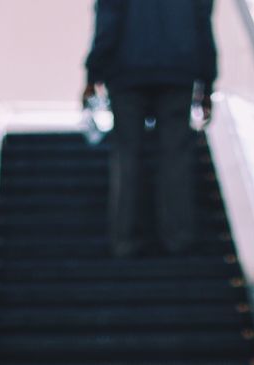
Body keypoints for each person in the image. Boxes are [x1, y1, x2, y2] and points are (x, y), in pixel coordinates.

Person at [82, 0, 217, 257]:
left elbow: (108, 21)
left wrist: (93, 71)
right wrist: (207, 82)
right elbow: (203, 25)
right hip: (179, 70)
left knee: (127, 154)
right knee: (175, 156)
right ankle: (178, 237)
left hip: (125, 70)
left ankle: (125, 239)